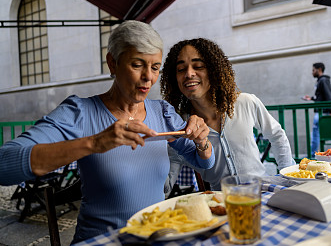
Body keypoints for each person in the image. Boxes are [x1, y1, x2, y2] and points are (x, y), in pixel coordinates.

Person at [0, 21, 215, 243]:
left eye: (155, 67)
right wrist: (95, 142)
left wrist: (201, 140)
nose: (148, 78)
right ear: (112, 63)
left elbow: (205, 163)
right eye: (137, 64)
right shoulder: (79, 113)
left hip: (154, 237)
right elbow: (4, 164)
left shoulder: (163, 112)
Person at [160, 38, 295, 191]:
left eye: (198, 66)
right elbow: (165, 183)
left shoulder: (245, 102)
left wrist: (287, 176)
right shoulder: (180, 127)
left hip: (261, 193)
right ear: (174, 78)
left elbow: (277, 135)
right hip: (222, 204)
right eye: (181, 70)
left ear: (214, 70)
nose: (189, 74)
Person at [302, 62, 331, 156]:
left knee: (318, 134)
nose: (312, 72)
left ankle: (312, 155)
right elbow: (323, 97)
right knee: (329, 133)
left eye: (313, 70)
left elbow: (329, 97)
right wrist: (312, 98)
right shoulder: (321, 80)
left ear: (319, 69)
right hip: (322, 112)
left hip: (323, 112)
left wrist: (330, 112)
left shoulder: (323, 80)